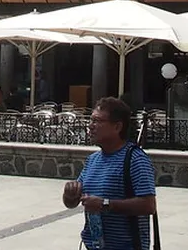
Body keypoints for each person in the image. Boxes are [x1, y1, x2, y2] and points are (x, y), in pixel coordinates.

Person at [62, 97, 157, 250]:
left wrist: (106, 204)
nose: (90, 126)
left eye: (97, 121)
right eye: (90, 120)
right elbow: (73, 202)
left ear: (117, 127)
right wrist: (69, 195)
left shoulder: (135, 159)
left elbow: (148, 205)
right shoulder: (92, 160)